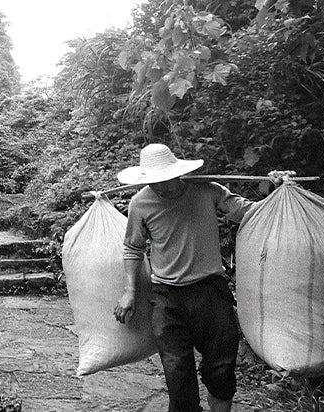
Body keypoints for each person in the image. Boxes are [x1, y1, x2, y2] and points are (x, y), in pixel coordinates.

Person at [112, 144, 277, 412]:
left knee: (222, 373)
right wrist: (129, 291)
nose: (158, 186)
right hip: (167, 299)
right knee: (178, 379)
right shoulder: (140, 203)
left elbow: (248, 212)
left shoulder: (207, 191)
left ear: (176, 172)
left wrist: (274, 189)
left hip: (210, 292)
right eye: (152, 181)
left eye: (163, 179)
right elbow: (133, 248)